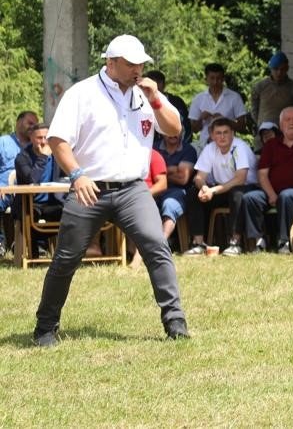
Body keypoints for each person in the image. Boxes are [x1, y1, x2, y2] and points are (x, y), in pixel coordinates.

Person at [32, 35, 188, 346]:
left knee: (157, 248)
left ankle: (176, 325)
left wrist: (157, 99)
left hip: (133, 188)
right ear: (110, 63)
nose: (138, 69)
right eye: (131, 64)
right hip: (89, 187)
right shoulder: (82, 94)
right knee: (66, 258)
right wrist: (76, 175)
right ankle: (45, 328)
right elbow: (58, 140)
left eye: (141, 64)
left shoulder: (146, 94)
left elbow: (174, 129)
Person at [240, 106, 293, 254]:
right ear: (281, 125)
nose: (291, 123)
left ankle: (283, 241)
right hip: (272, 191)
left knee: (287, 195)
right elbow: (262, 174)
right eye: (287, 120)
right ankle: (259, 240)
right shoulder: (271, 145)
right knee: (250, 198)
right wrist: (271, 194)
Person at [186, 117, 259, 255]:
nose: (222, 136)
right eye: (218, 133)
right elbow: (199, 177)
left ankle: (235, 243)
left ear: (233, 133)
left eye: (226, 132)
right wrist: (204, 188)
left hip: (247, 187)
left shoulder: (239, 147)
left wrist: (213, 190)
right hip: (222, 189)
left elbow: (240, 179)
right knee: (193, 193)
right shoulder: (210, 148)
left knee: (236, 194)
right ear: (212, 135)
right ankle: (198, 242)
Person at [14, 123, 68, 258]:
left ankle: (64, 257)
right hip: (29, 204)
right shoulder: (22, 158)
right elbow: (32, 179)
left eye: (46, 137)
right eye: (39, 138)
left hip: (53, 201)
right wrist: (43, 157)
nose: (44, 142)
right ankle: (33, 257)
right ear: (31, 138)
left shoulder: (57, 155)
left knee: (70, 213)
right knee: (30, 216)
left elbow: (67, 176)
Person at [1, 110, 39, 252]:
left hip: (30, 191)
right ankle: (1, 243)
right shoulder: (3, 142)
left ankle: (38, 245)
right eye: (30, 123)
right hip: (4, 191)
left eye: (35, 124)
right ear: (18, 123)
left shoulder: (38, 144)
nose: (33, 126)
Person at [154, 132, 198, 248]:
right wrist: (173, 169)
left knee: (169, 204)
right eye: (169, 131)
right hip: (155, 189)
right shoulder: (153, 148)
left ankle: (160, 245)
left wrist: (161, 173)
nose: (172, 134)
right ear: (161, 132)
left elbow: (183, 178)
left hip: (179, 191)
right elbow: (148, 173)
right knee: (141, 205)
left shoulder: (189, 150)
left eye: (176, 131)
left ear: (181, 131)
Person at [188, 62, 247, 146]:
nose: (215, 82)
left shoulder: (234, 97)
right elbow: (194, 129)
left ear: (223, 79)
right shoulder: (198, 98)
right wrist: (201, 118)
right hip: (205, 146)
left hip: (228, 146)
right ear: (206, 79)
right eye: (212, 78)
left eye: (218, 78)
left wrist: (224, 120)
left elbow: (242, 127)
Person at [250, 51, 293, 127]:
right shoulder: (260, 87)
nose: (279, 72)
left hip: (285, 134)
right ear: (271, 69)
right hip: (264, 133)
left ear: (287, 69)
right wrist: (261, 124)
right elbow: (254, 110)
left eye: (282, 69)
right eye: (276, 69)